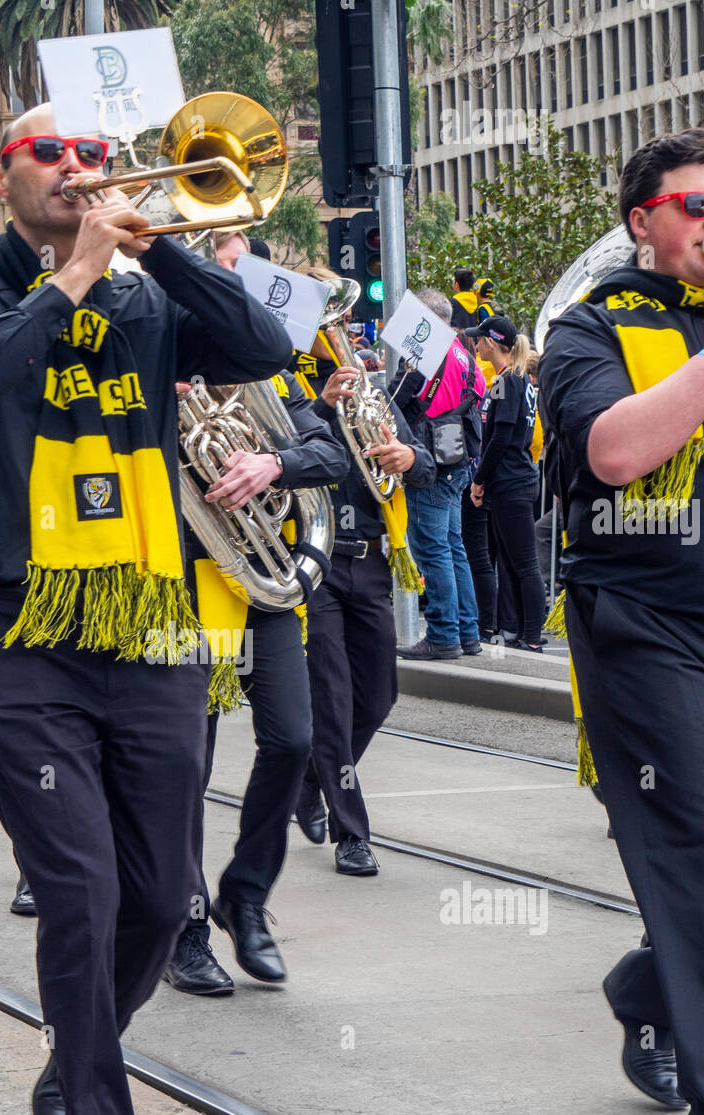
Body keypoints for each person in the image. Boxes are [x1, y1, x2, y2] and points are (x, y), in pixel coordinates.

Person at [0, 105, 291, 1115]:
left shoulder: (153, 297)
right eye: (53, 156)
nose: (80, 170)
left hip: (151, 625)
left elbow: (268, 352)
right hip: (20, 632)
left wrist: (158, 241)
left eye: (93, 156)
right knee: (78, 887)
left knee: (161, 892)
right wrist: (71, 275)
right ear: (1, 180)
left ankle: (78, 1059)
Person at [539, 127, 704, 1115]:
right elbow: (613, 453)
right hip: (645, 623)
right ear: (644, 221)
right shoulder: (589, 330)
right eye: (695, 206)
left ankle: (649, 987)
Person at [164, 228, 348, 996]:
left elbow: (331, 457)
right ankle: (183, 924)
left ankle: (246, 897)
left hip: (260, 581)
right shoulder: (153, 357)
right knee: (182, 767)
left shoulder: (269, 378)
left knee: (293, 739)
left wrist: (273, 461)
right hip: (176, 585)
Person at [294, 331, 437, 874]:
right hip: (317, 562)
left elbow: (425, 464)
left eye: (345, 327)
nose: (342, 338)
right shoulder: (295, 392)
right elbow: (285, 454)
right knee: (331, 701)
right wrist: (322, 407)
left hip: (372, 560)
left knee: (378, 697)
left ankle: (312, 776)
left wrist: (407, 456)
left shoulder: (375, 396)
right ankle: (350, 831)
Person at [393, 288, 485, 660]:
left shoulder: (427, 344)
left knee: (433, 551)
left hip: (429, 459)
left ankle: (443, 633)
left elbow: (396, 397)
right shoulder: (464, 352)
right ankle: (467, 632)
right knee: (453, 548)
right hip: (458, 458)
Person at [470, 316, 543, 651]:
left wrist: (479, 479)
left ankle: (530, 636)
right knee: (512, 562)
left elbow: (499, 437)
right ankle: (515, 631)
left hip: (511, 481)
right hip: (511, 480)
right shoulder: (512, 379)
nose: (476, 344)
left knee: (525, 563)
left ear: (492, 343)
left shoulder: (508, 380)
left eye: (480, 339)